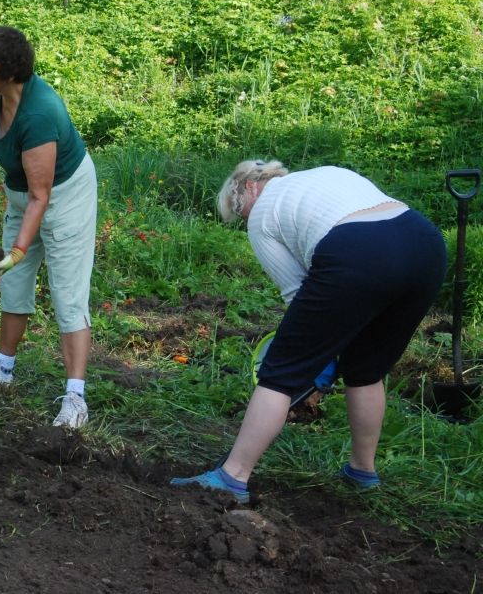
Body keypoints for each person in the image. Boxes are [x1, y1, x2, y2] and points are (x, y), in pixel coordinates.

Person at [171, 161, 446, 503]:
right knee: (365, 369)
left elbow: (298, 294)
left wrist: (314, 358)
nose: (245, 221)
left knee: (280, 374)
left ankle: (233, 475)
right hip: (424, 245)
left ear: (248, 190)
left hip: (359, 250)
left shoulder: (261, 215)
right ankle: (363, 470)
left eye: (240, 214)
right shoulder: (323, 175)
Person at [0, 26, 98, 429]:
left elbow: (43, 196)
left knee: (68, 294)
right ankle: (2, 371)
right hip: (23, 195)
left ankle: (75, 398)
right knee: (13, 284)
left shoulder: (39, 114)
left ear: (9, 72)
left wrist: (19, 250)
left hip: (65, 196)